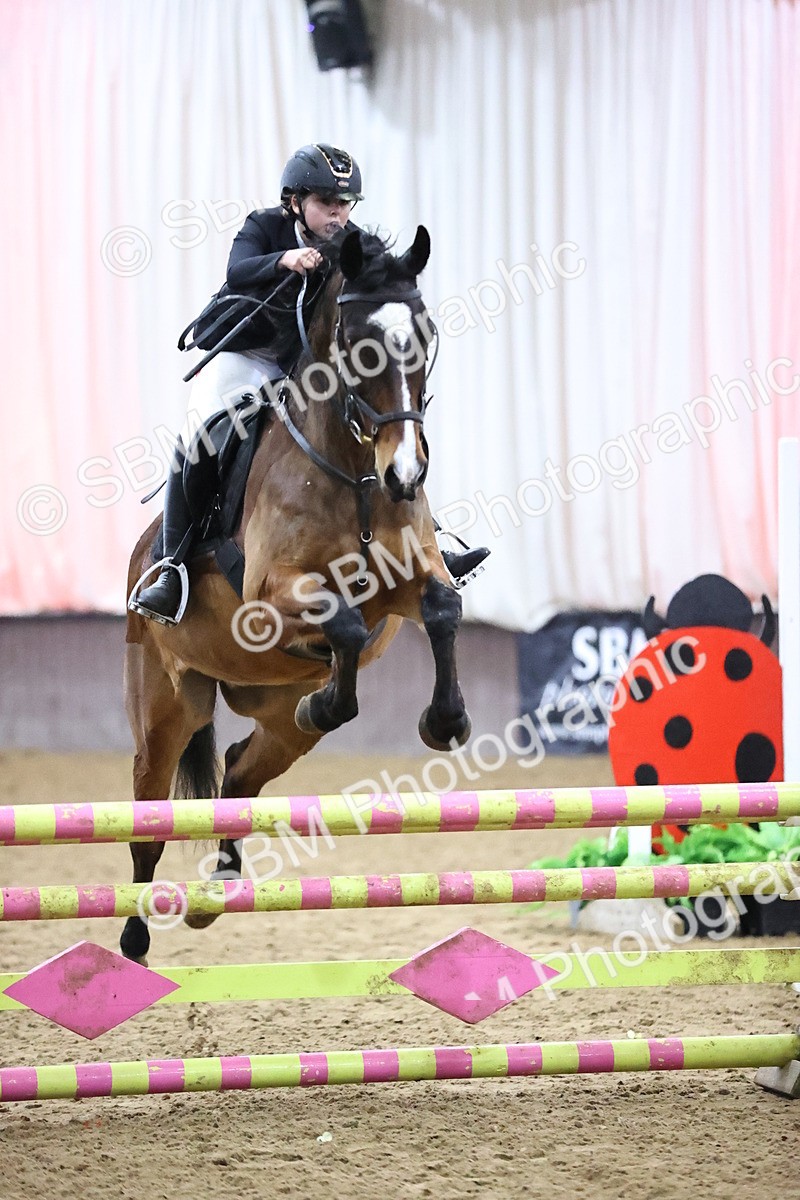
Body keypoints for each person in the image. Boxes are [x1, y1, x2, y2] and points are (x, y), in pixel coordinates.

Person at [128, 144, 488, 626]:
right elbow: (237, 270)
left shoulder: (352, 242)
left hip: (302, 365)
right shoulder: (263, 227)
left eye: (344, 204)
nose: (337, 214)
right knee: (199, 440)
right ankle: (170, 567)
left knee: (387, 419)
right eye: (325, 203)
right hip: (244, 356)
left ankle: (431, 545)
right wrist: (285, 260)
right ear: (295, 202)